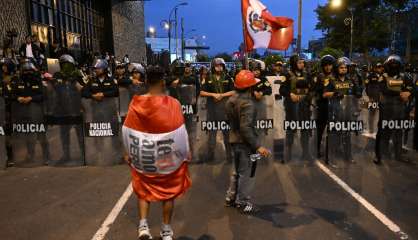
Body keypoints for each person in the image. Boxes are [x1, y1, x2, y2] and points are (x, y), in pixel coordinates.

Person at [122, 66, 192, 240]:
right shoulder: (173, 103)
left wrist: (127, 151)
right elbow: (181, 131)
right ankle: (166, 229)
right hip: (166, 155)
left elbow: (127, 129)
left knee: (143, 188)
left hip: (144, 154)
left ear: (146, 81)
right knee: (168, 192)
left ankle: (143, 226)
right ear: (163, 82)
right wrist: (185, 153)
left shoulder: (136, 102)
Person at [225, 70, 270, 214]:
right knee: (246, 172)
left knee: (236, 171)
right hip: (245, 142)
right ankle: (242, 202)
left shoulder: (231, 99)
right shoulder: (248, 104)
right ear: (250, 87)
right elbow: (246, 128)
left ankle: (230, 197)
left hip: (233, 139)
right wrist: (258, 146)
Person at [375, 55, 413, 164]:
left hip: (400, 109)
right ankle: (379, 155)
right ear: (387, 65)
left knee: (398, 132)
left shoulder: (405, 76)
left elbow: (411, 89)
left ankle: (398, 154)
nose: (394, 66)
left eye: (396, 64)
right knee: (382, 132)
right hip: (386, 109)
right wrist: (400, 93)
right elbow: (383, 89)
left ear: (399, 65)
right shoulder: (383, 77)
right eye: (391, 64)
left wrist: (408, 93)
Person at [323, 57, 362, 164]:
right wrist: (334, 93)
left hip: (348, 111)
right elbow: (325, 94)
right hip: (334, 112)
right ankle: (330, 157)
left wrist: (358, 94)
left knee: (347, 134)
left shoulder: (352, 80)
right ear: (337, 68)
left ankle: (348, 156)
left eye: (345, 67)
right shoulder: (330, 79)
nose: (344, 69)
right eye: (341, 67)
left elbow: (357, 94)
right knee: (334, 135)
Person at [280, 54, 314, 163]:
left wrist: (308, 96)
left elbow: (313, 89)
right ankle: (288, 153)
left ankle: (306, 153)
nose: (302, 64)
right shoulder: (287, 75)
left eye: (303, 62)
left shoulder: (307, 75)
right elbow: (282, 90)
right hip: (291, 107)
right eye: (299, 62)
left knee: (305, 130)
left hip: (304, 107)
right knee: (290, 130)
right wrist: (290, 94)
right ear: (294, 63)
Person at [200, 58, 235, 163]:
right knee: (211, 136)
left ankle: (230, 157)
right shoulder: (208, 78)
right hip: (212, 112)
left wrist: (222, 95)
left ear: (223, 66)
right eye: (217, 66)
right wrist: (213, 94)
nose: (219, 67)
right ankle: (210, 156)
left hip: (225, 111)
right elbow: (202, 92)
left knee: (227, 135)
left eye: (221, 65)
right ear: (213, 67)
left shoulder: (228, 78)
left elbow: (233, 91)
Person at [51, 54, 84, 164]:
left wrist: (74, 81)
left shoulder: (77, 74)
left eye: (67, 64)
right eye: (63, 64)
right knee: (64, 135)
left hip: (76, 109)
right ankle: (66, 155)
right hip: (63, 110)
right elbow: (53, 89)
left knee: (80, 133)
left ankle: (83, 155)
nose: (65, 66)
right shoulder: (57, 75)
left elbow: (84, 89)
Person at [313, 55, 336, 159]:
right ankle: (317, 149)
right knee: (320, 129)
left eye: (330, 65)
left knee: (333, 130)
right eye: (326, 65)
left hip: (334, 106)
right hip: (322, 106)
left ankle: (331, 150)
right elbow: (319, 92)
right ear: (323, 66)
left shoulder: (335, 76)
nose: (328, 67)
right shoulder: (319, 77)